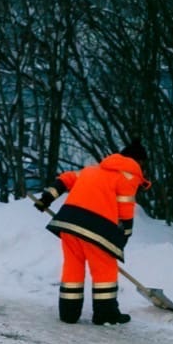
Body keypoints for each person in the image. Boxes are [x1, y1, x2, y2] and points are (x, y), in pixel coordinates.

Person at [34, 139, 149, 326]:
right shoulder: (128, 177)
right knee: (104, 270)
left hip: (69, 224)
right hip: (98, 229)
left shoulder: (91, 170)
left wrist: (46, 198)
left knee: (73, 267)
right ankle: (106, 315)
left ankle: (69, 313)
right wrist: (124, 235)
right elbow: (126, 209)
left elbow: (65, 179)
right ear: (139, 161)